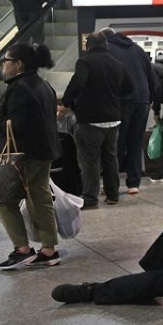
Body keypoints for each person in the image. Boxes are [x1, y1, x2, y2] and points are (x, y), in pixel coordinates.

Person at [0, 42, 63, 269]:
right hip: (44, 150)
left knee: (2, 199)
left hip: (24, 155)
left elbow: (16, 126)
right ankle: (49, 249)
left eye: (6, 61)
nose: (3, 65)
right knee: (38, 197)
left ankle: (22, 249)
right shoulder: (44, 85)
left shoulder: (19, 88)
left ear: (18, 64)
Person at [62, 33, 132, 208]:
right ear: (106, 45)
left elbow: (77, 83)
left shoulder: (85, 62)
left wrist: (66, 103)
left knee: (90, 161)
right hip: (113, 120)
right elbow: (129, 88)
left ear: (88, 46)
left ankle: (91, 199)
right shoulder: (117, 64)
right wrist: (113, 98)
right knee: (110, 158)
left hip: (90, 121)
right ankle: (113, 195)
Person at [102, 28, 158, 195]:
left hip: (122, 100)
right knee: (135, 142)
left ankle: (113, 185)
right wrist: (150, 100)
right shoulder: (137, 49)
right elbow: (151, 77)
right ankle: (134, 184)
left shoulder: (107, 49)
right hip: (142, 100)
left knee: (116, 143)